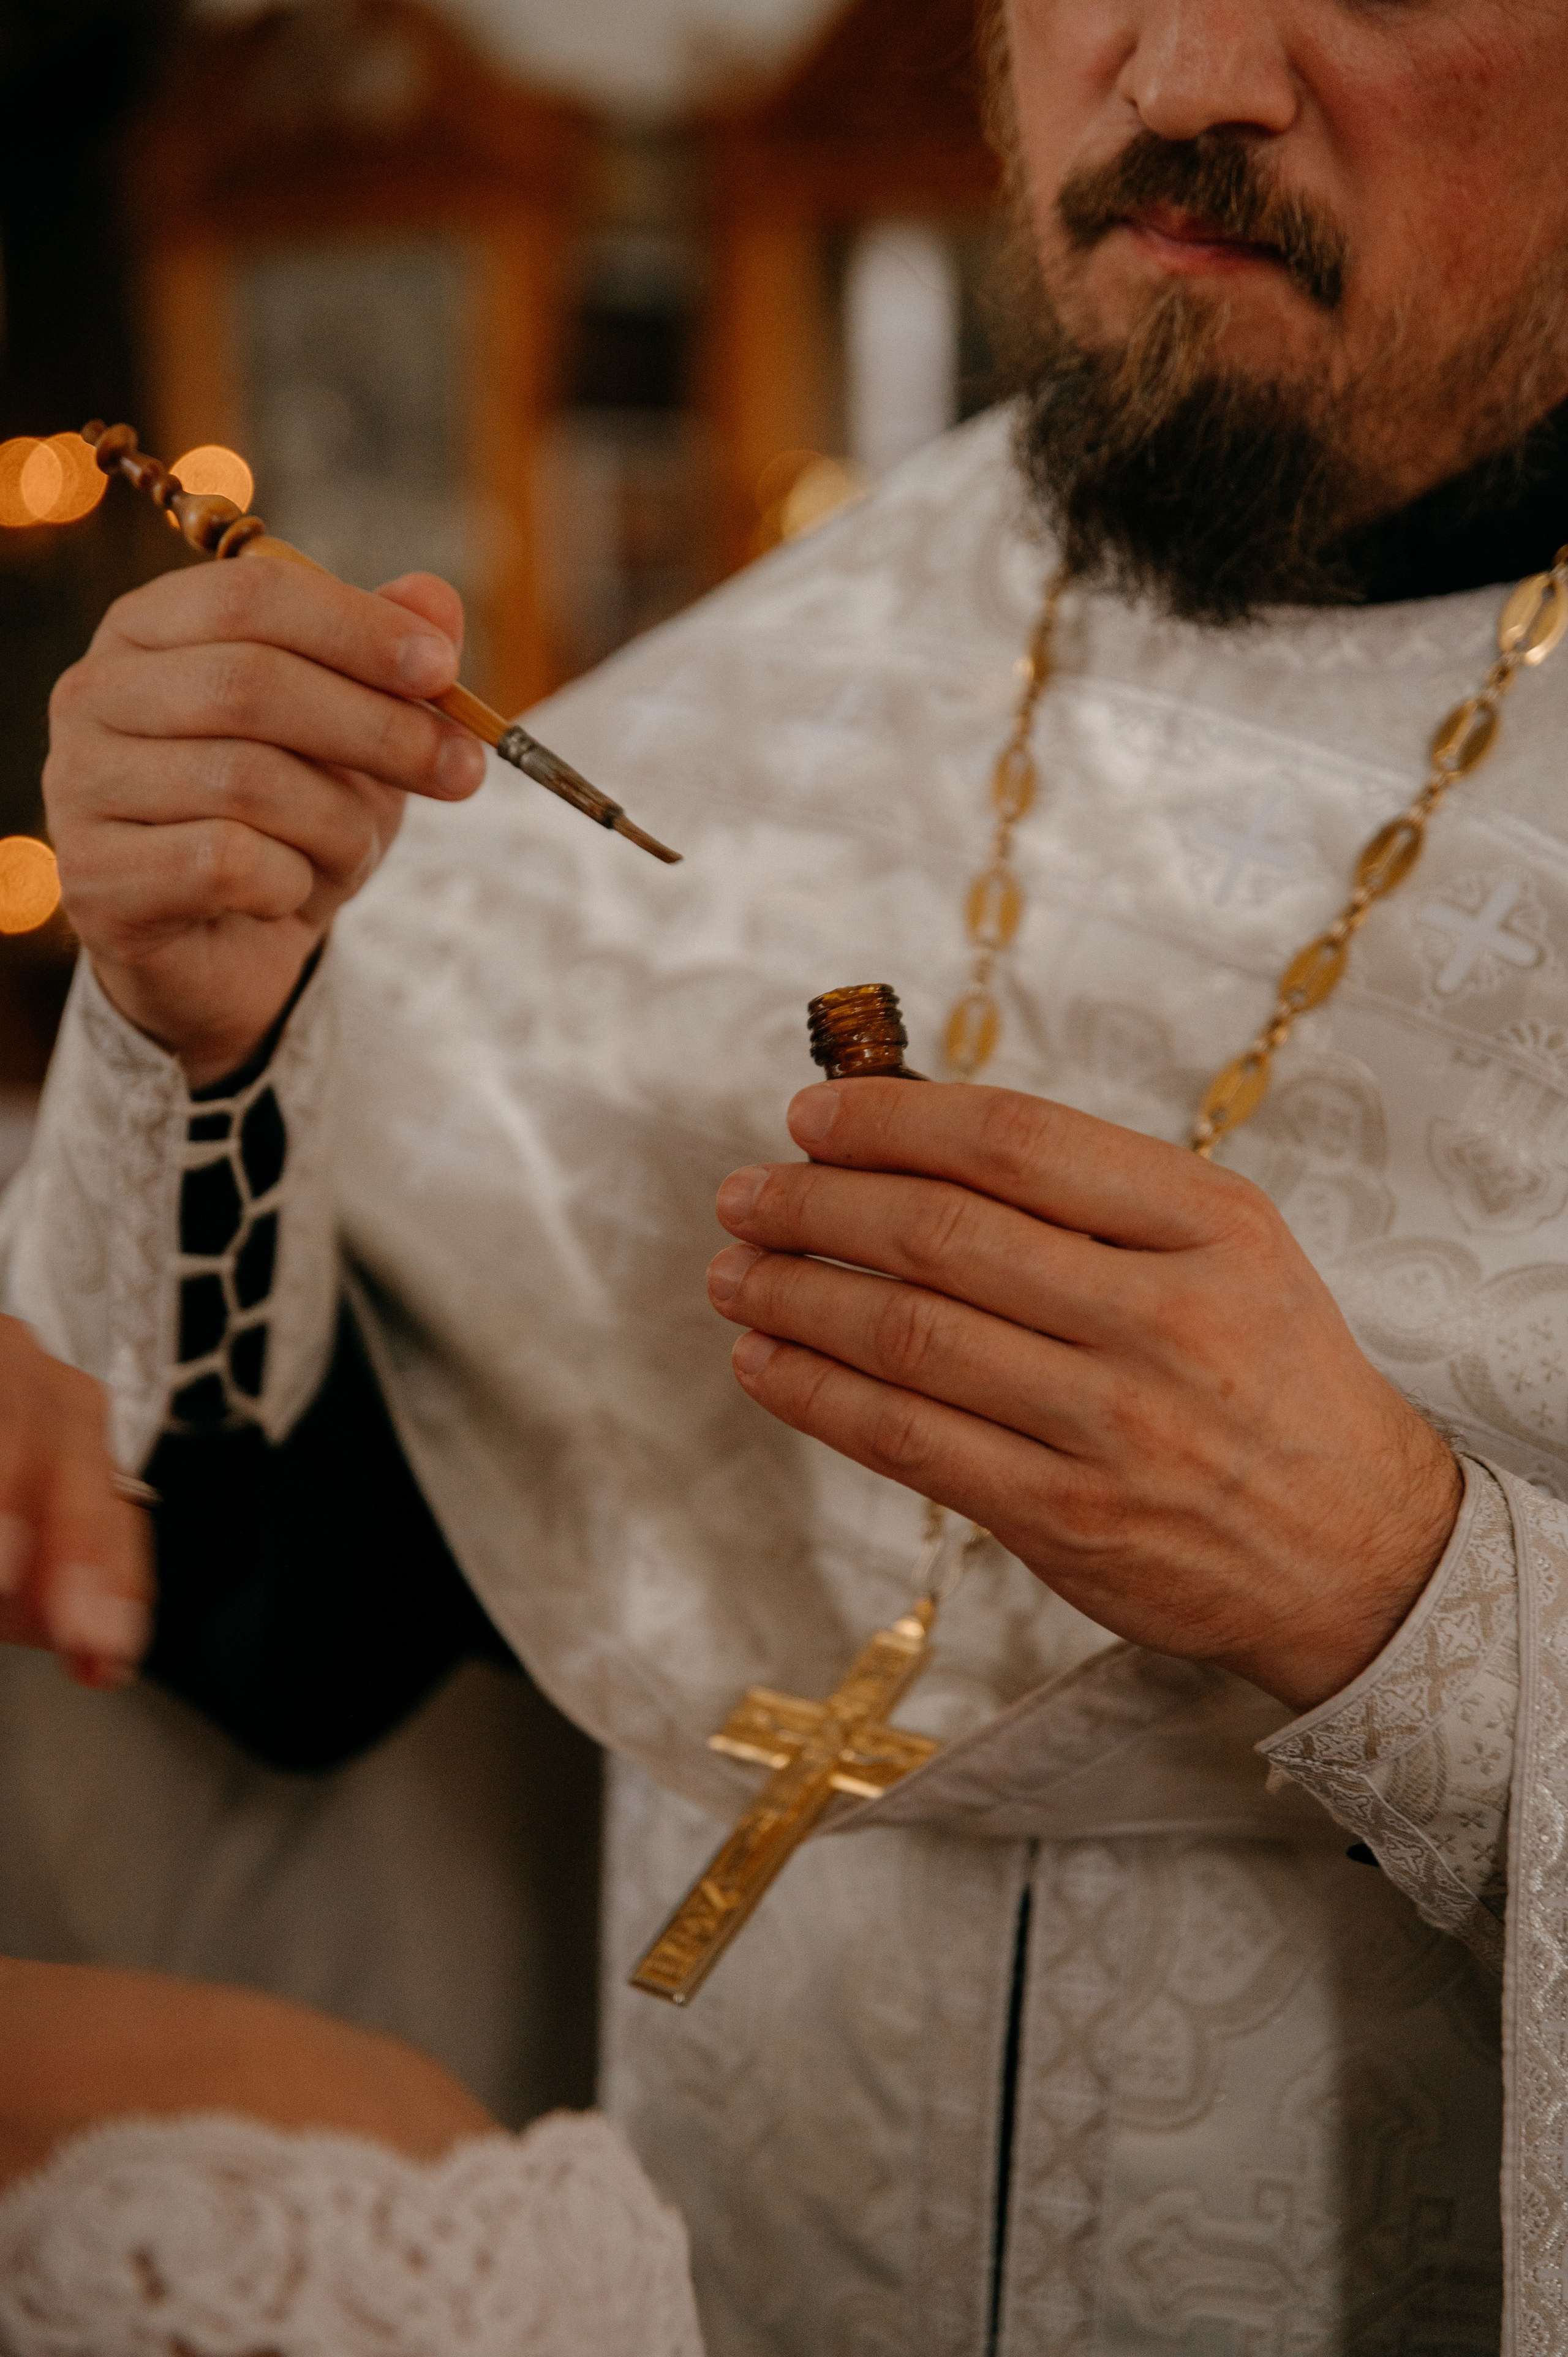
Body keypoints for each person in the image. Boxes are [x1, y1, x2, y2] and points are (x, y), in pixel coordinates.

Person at [5, 0, 1567, 2345]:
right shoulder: (750, 709)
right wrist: (211, 1038)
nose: (1186, 77)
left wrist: (1406, 1596)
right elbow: (286, 1647)